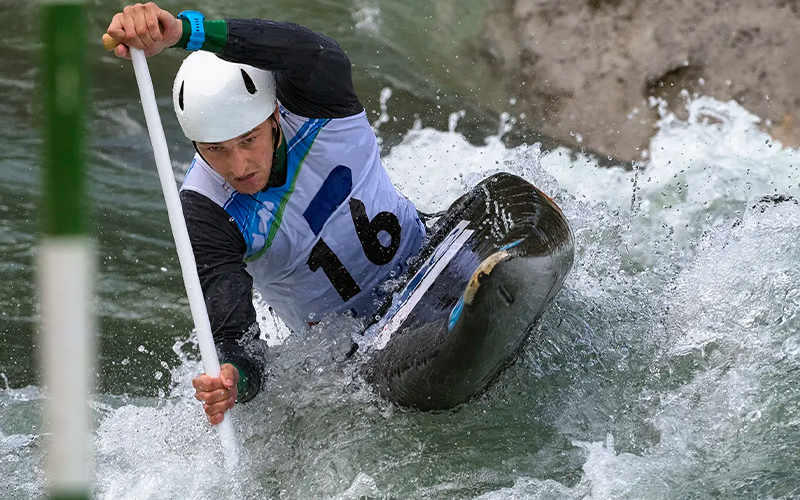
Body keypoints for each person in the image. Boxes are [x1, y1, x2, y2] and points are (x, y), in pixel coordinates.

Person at [105, 3, 425, 425]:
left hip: (424, 262)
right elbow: (238, 341)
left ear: (273, 117)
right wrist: (234, 379)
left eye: (248, 140)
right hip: (351, 356)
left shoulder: (319, 100)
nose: (239, 167)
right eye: (215, 150)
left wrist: (183, 32)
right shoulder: (206, 213)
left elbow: (300, 47)